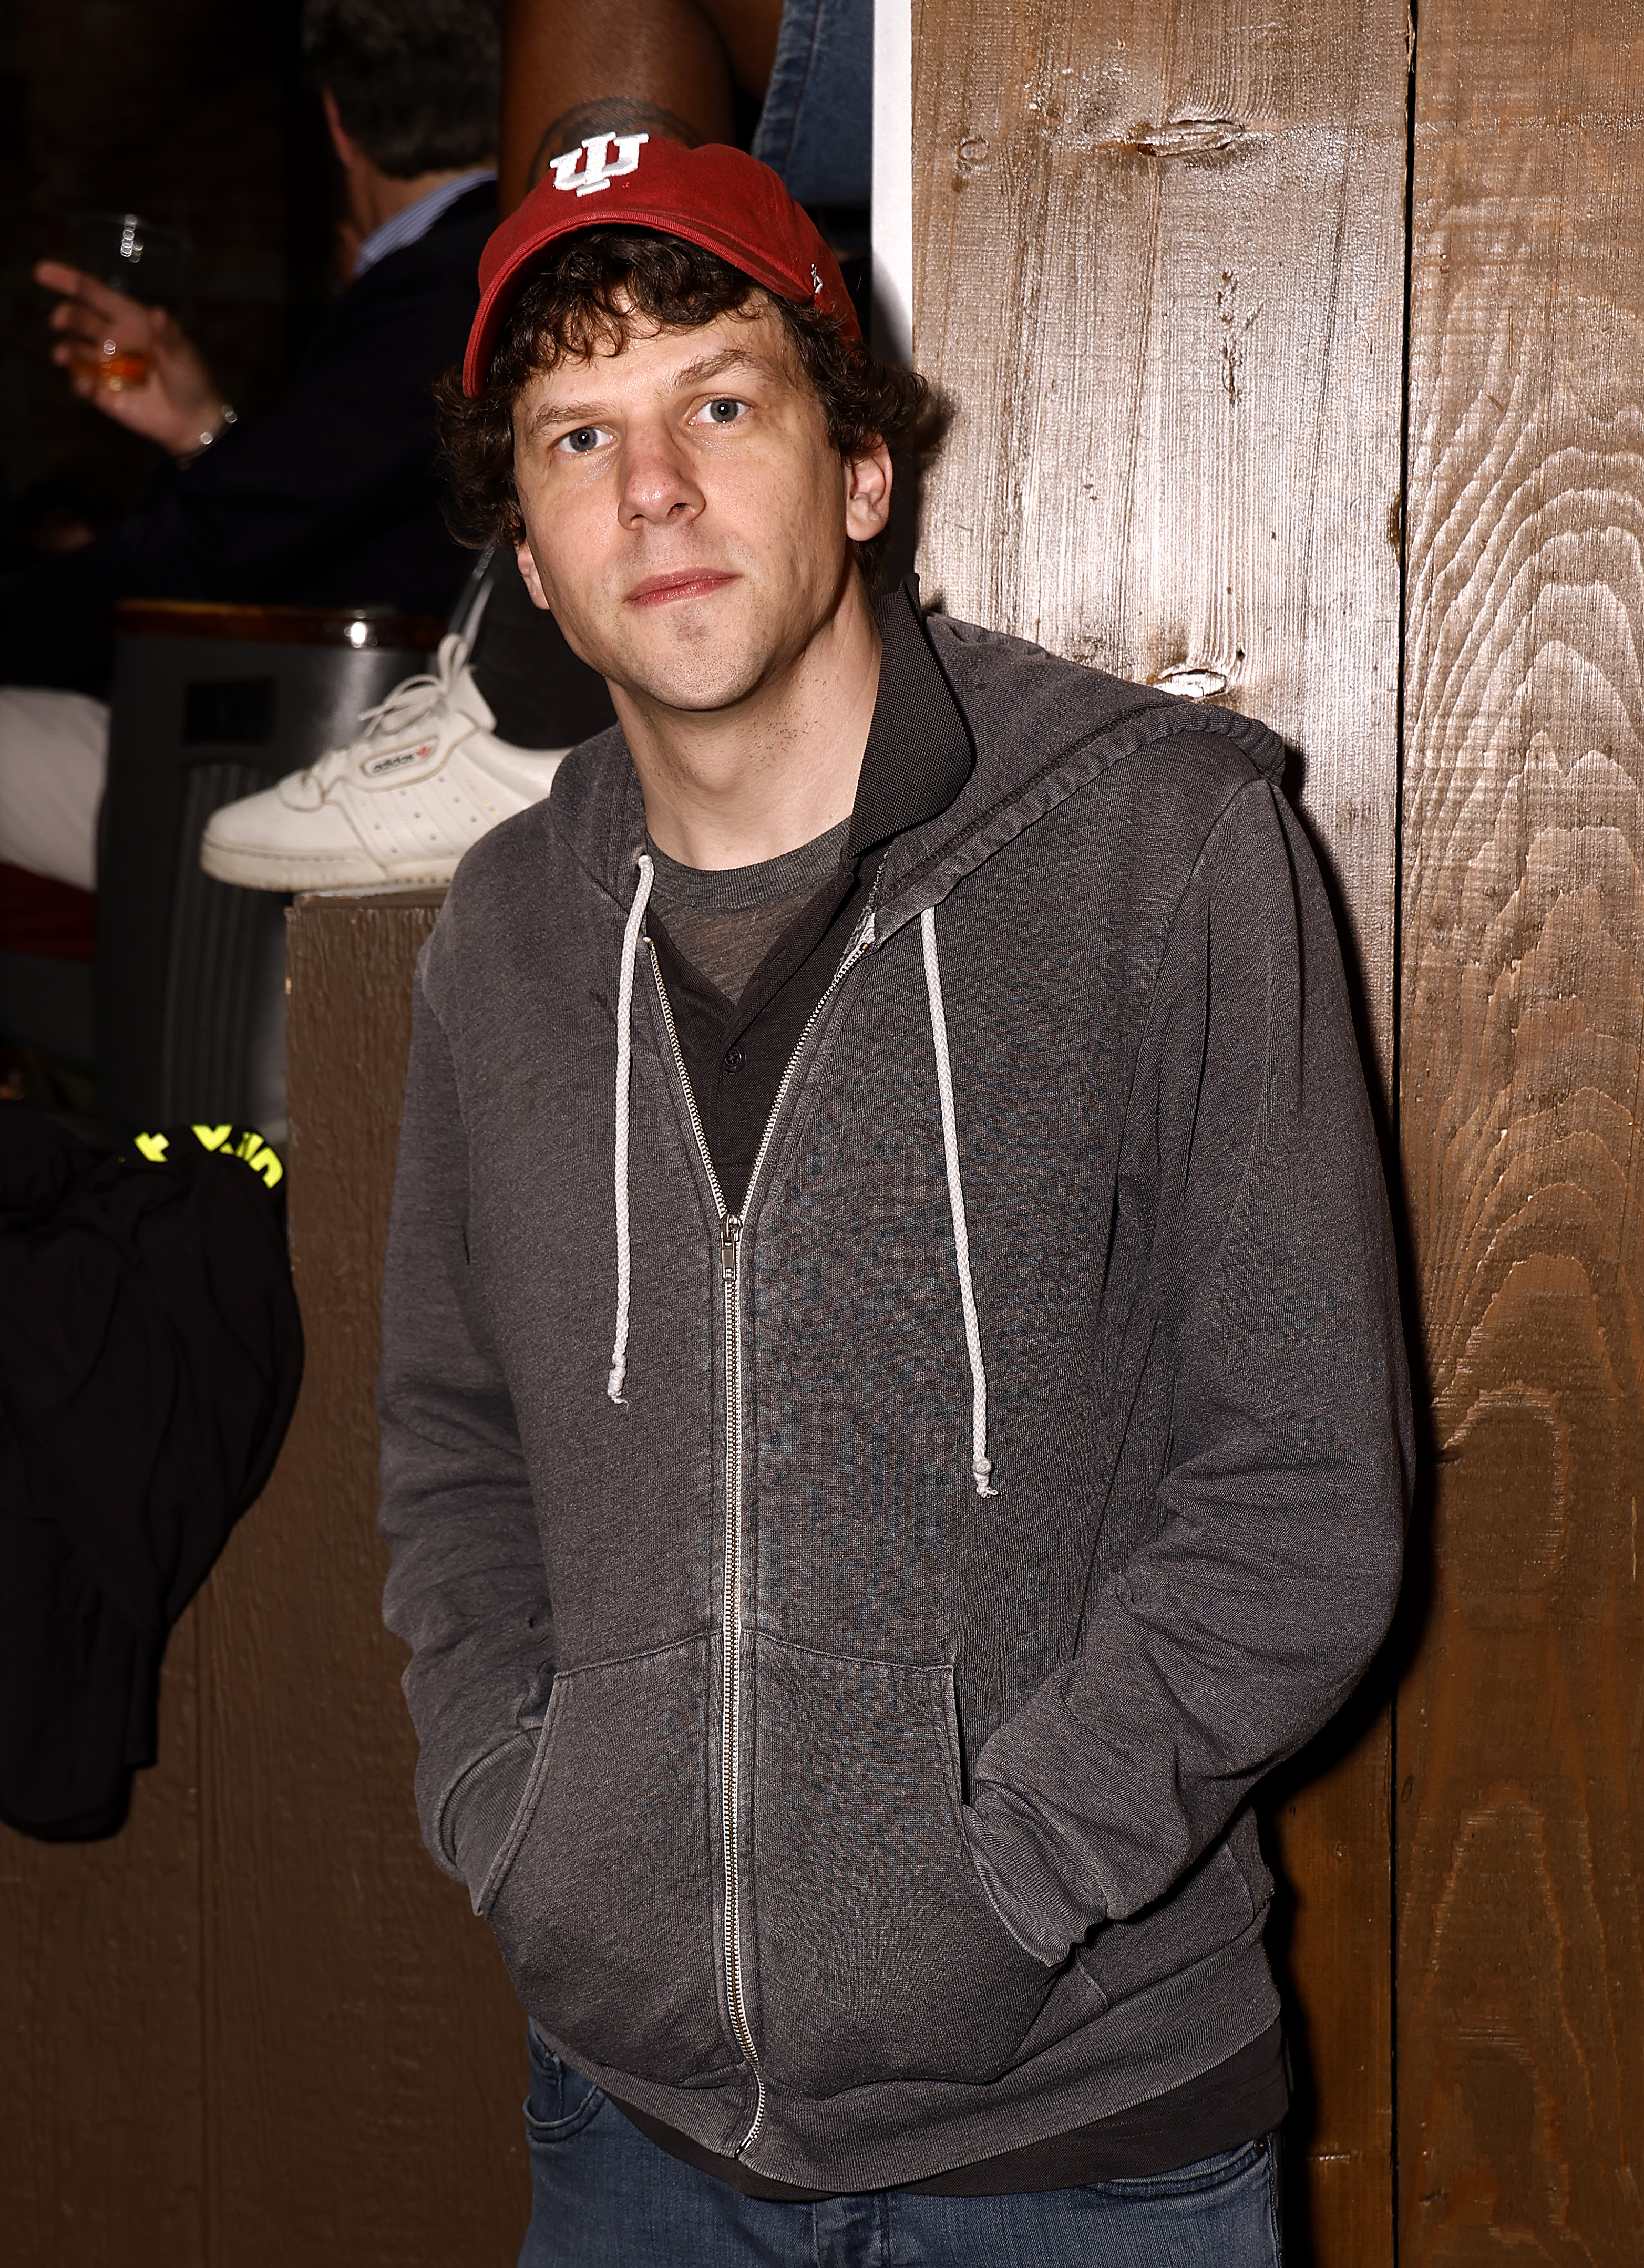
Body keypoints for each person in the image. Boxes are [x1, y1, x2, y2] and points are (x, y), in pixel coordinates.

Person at [375, 138, 1412, 2266]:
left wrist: (1007, 1878)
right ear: (538, 566)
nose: (651, 486)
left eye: (718, 402)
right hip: (634, 2133)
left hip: (1083, 2137)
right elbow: (450, 1449)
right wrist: (518, 1817)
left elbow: (1302, 1495)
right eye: (579, 436)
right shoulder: (498, 937)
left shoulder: (1163, 854)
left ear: (858, 471)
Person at [0, 0, 508, 898]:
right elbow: (303, 516)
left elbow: (202, 559)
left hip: (298, 758)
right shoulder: (477, 265)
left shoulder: (447, 283)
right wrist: (203, 434)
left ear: (337, 124)